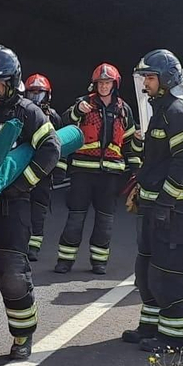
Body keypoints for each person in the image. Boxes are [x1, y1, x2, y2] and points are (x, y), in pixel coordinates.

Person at [0, 45, 61, 359]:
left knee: (11, 273)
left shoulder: (27, 111)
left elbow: (51, 148)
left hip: (12, 205)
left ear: (10, 83)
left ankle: (23, 335)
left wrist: (22, 184)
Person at [124, 49, 183, 355]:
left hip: (175, 209)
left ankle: (175, 337)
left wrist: (166, 201)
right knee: (146, 270)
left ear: (166, 79)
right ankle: (151, 326)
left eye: (151, 78)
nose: (146, 84)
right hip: (154, 206)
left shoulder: (177, 111)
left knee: (167, 272)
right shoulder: (160, 109)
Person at [55, 63, 138, 275]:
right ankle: (65, 260)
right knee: (76, 217)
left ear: (114, 84)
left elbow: (128, 145)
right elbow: (65, 125)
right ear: (95, 84)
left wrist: (138, 171)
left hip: (110, 175)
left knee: (105, 221)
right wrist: (76, 110)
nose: (103, 86)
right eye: (100, 83)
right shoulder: (84, 104)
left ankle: (99, 261)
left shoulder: (123, 110)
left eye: (107, 82)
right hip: (83, 171)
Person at [23, 74, 65, 261]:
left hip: (42, 172)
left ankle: (33, 247)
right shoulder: (20, 112)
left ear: (47, 95)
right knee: (18, 208)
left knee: (38, 210)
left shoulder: (53, 117)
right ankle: (16, 245)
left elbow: (59, 146)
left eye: (39, 94)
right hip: (21, 170)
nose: (35, 98)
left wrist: (59, 170)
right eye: (32, 93)